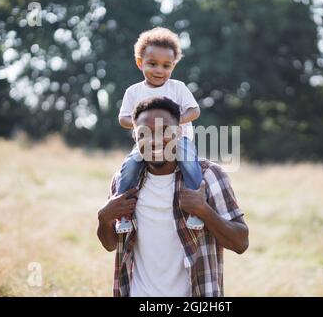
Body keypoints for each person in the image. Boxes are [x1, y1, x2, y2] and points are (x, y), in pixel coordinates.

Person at [97, 97, 249, 297]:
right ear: (135, 136)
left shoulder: (208, 175)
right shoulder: (124, 181)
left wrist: (203, 210)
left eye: (164, 131)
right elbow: (110, 245)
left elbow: (240, 243)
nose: (155, 140)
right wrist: (104, 218)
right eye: (144, 133)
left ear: (179, 133)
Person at [115, 27, 203, 233]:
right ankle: (123, 213)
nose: (159, 70)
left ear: (173, 66)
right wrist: (141, 125)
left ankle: (197, 208)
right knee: (129, 168)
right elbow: (123, 118)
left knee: (190, 163)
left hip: (177, 140)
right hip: (146, 144)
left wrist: (176, 123)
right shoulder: (134, 91)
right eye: (152, 64)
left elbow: (195, 110)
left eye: (166, 66)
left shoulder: (178, 88)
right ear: (140, 63)